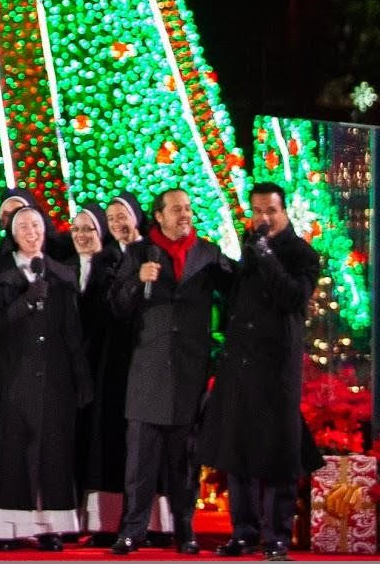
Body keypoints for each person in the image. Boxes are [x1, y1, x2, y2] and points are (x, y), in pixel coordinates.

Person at [199, 184, 322, 561]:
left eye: (270, 210)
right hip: (240, 364)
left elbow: (293, 298)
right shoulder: (250, 246)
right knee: (237, 451)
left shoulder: (301, 254)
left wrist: (266, 256)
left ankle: (277, 536)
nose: (263, 218)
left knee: (279, 453)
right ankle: (244, 531)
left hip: (276, 368)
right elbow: (238, 296)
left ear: (284, 212)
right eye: (257, 210)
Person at [106, 188, 225, 556]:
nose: (184, 214)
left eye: (188, 208)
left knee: (184, 463)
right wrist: (135, 280)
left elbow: (234, 296)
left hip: (190, 373)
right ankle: (132, 530)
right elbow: (116, 305)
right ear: (158, 215)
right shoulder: (140, 253)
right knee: (140, 462)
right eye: (176, 209)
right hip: (148, 371)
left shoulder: (208, 254)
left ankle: (185, 529)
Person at [0, 202, 92, 548]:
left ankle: (49, 526)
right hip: (11, 374)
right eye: (24, 227)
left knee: (51, 451)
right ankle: (10, 527)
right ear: (13, 233)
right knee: (12, 449)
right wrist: (26, 300)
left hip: (53, 375)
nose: (32, 233)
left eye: (37, 227)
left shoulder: (60, 274)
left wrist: (81, 378)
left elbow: (72, 332)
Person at [73, 202, 133, 544]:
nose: (82, 236)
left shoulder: (112, 267)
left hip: (108, 369)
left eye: (89, 229)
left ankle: (106, 522)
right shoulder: (66, 268)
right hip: (76, 371)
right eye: (77, 229)